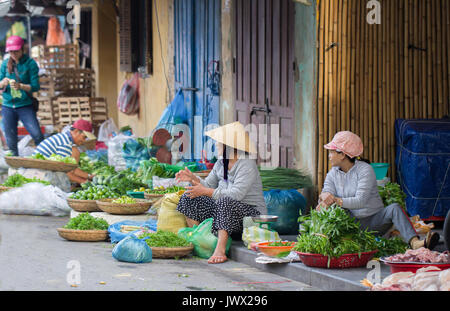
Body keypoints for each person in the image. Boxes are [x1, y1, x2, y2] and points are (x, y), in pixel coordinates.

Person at [317, 131, 440, 251]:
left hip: (373, 222)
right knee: (327, 209)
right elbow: (327, 190)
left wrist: (336, 200)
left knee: (394, 208)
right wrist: (324, 196)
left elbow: (360, 201)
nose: (329, 156)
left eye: (331, 152)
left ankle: (415, 243)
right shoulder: (333, 173)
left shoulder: (365, 170)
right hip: (350, 223)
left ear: (343, 154)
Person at [175, 122, 267, 264]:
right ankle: (200, 239)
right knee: (189, 197)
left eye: (219, 143)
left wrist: (205, 191)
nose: (216, 145)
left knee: (225, 201)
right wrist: (193, 179)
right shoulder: (220, 163)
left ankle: (220, 250)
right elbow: (208, 185)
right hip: (223, 214)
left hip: (249, 216)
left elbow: (236, 195)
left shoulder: (247, 164)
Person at [0, 35, 44, 156]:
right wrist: (2, 83)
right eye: (11, 51)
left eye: (16, 51)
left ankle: (45, 159)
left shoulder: (30, 64)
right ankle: (15, 166)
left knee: (37, 134)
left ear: (22, 49)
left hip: (25, 105)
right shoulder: (4, 64)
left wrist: (21, 86)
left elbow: (35, 86)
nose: (13, 53)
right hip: (8, 106)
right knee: (11, 140)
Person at [34, 119, 96, 184]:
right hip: (39, 173)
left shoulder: (65, 138)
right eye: (84, 137)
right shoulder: (65, 144)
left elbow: (72, 169)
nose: (84, 140)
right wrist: (85, 182)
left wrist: (89, 176)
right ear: (76, 131)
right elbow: (65, 172)